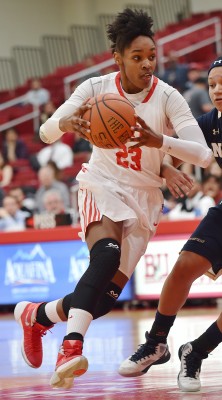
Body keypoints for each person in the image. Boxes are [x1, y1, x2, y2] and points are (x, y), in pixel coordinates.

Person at [13, 8, 212, 390]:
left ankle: (36, 316)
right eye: (137, 57)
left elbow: (202, 154)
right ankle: (71, 347)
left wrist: (160, 145)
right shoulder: (94, 88)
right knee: (104, 254)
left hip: (145, 197)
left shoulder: (167, 97)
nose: (147, 64)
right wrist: (65, 123)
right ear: (116, 57)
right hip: (101, 183)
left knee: (101, 301)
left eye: (151, 55)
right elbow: (44, 133)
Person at [118, 55, 222, 393]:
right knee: (183, 267)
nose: (217, 90)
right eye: (212, 84)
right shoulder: (208, 123)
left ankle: (197, 350)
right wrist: (167, 167)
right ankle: (156, 343)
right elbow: (174, 152)